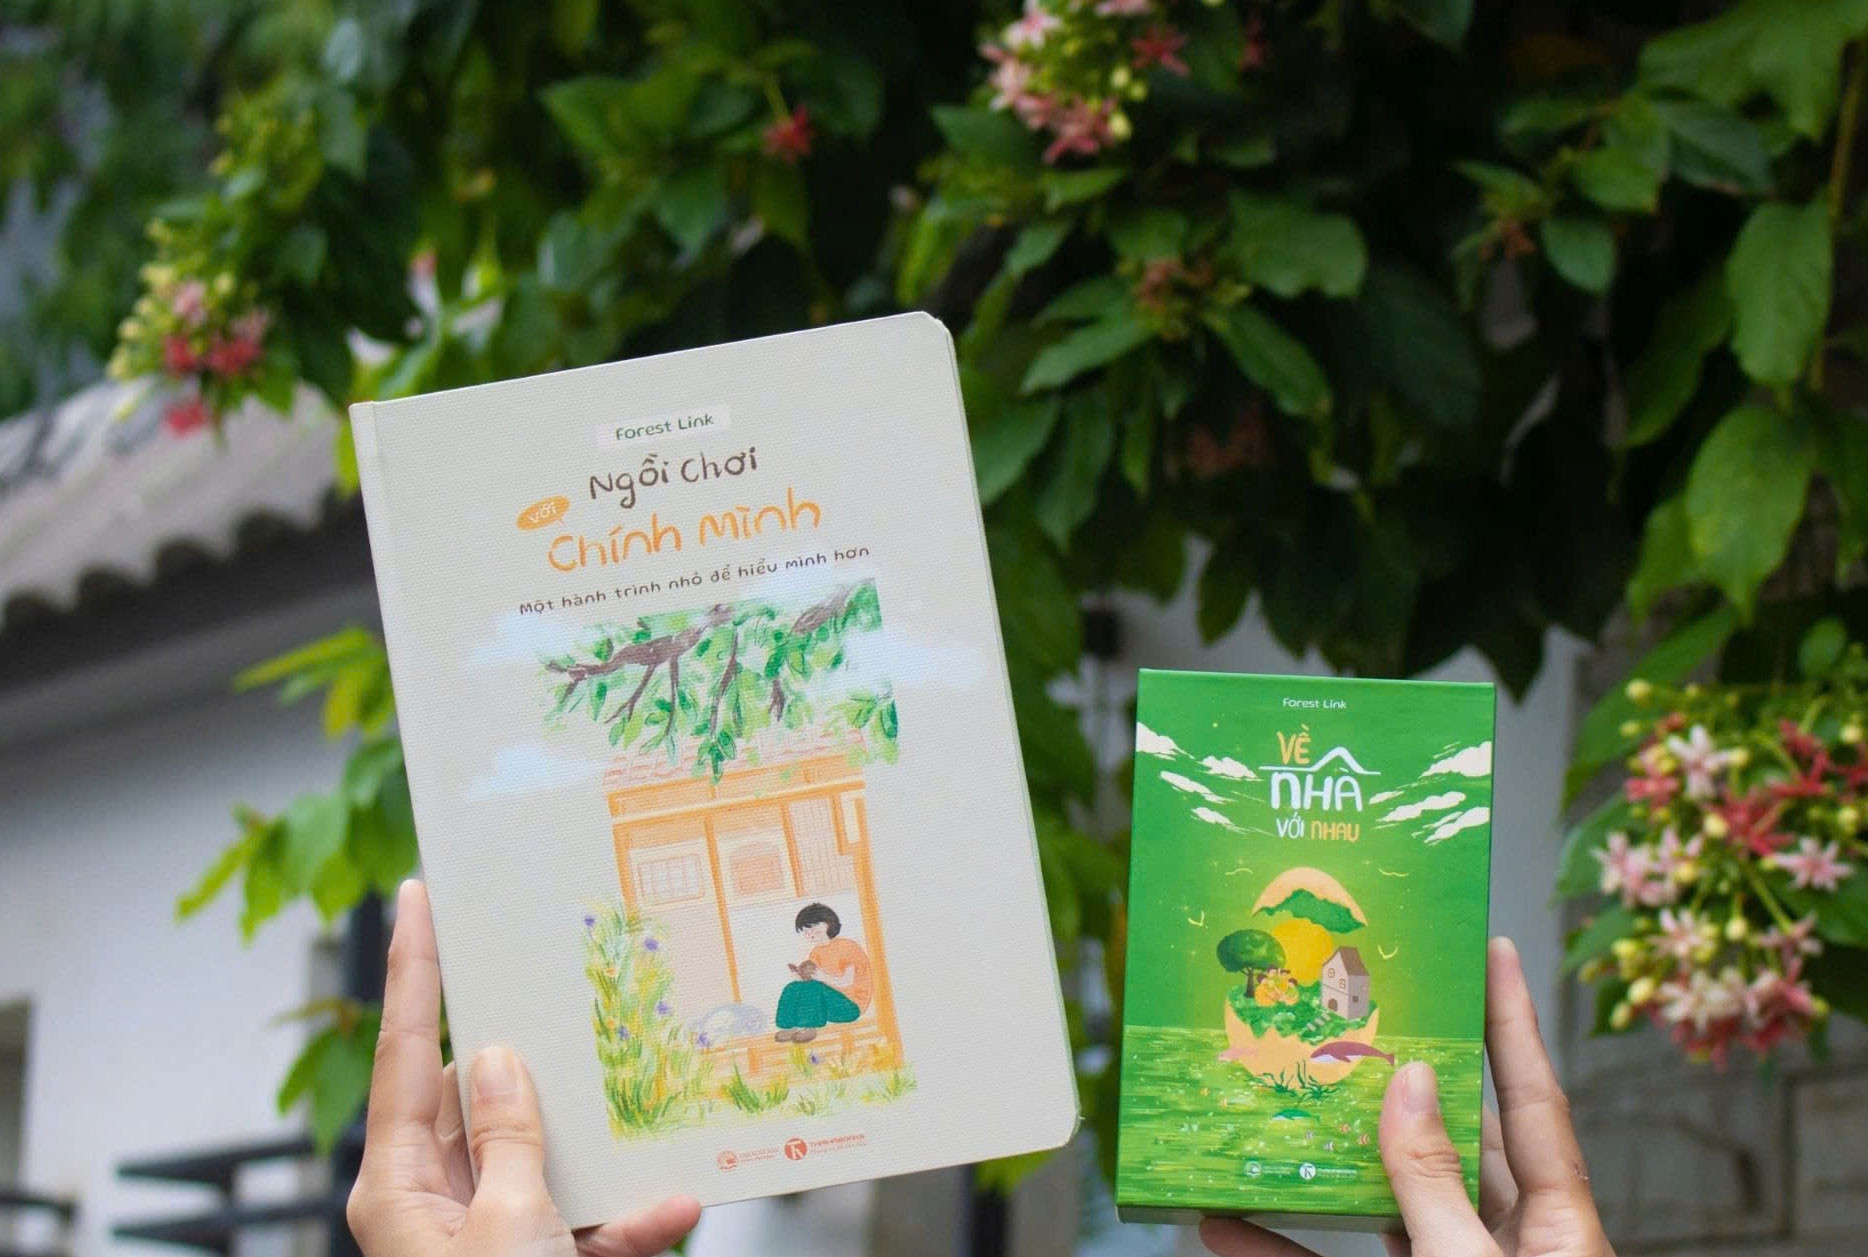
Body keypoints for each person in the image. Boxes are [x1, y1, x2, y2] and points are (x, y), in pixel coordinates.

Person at [348, 881, 1611, 1257]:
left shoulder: (842, 957)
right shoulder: (819, 960)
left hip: (818, 1025)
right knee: (757, 1014)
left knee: (774, 1016)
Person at [772, 902, 873, 1043]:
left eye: (813, 926)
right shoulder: (816, 952)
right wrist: (801, 977)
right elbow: (814, 985)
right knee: (793, 987)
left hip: (851, 1006)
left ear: (828, 924)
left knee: (814, 987)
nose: (809, 932)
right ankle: (790, 1026)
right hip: (827, 1005)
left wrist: (823, 977)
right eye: (805, 930)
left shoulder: (847, 946)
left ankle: (809, 1027)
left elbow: (847, 982)